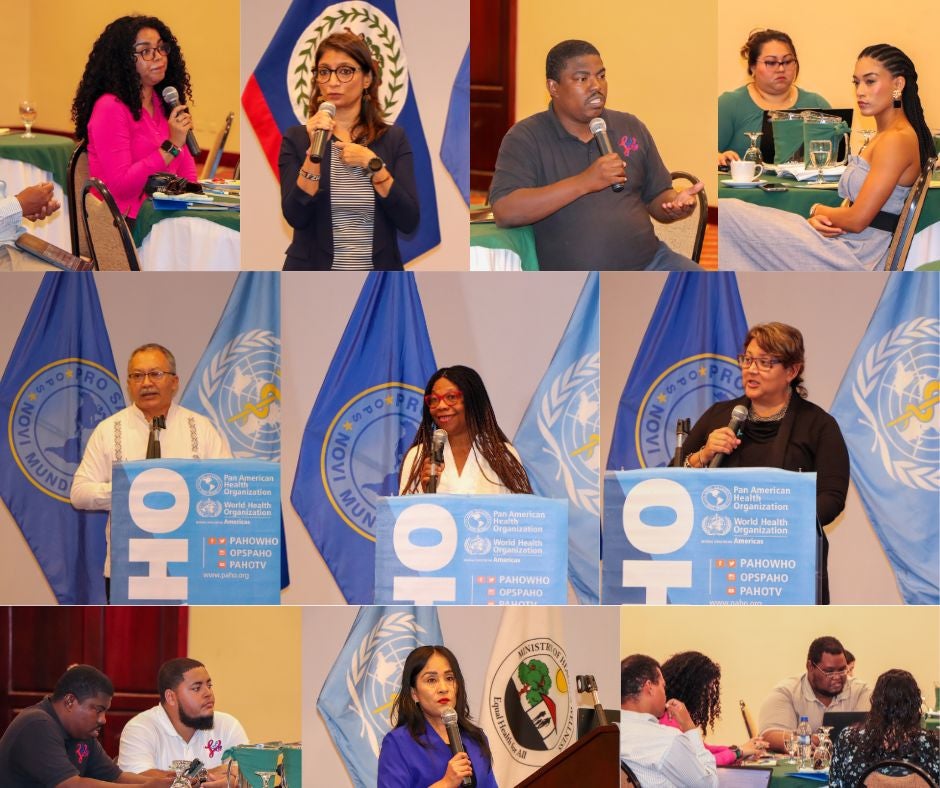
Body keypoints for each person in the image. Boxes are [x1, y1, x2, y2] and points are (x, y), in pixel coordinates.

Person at [489, 39, 702, 271]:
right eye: (582, 79)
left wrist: (674, 204)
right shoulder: (526, 137)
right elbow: (505, 210)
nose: (596, 86)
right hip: (575, 282)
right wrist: (585, 182)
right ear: (553, 87)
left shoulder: (630, 126)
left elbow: (657, 196)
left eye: (601, 76)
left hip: (651, 263)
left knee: (714, 293)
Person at [719, 44, 934, 271]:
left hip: (856, 256)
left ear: (898, 85)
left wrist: (817, 210)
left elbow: (856, 220)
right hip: (844, 243)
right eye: (856, 82)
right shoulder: (887, 136)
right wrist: (822, 218)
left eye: (870, 81)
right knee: (735, 212)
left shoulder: (896, 140)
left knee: (728, 215)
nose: (860, 91)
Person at [679, 323, 849, 602]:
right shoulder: (718, 416)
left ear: (792, 371)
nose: (751, 369)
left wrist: (777, 523)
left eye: (765, 362)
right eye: (747, 359)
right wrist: (704, 455)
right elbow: (672, 482)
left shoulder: (819, 425)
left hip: (789, 563)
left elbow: (833, 496)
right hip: (721, 561)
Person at [70, 343, 231, 595]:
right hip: (128, 568)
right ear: (129, 384)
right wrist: (130, 492)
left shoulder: (201, 428)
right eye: (137, 375)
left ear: (174, 382)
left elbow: (226, 489)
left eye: (155, 374)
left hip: (190, 567)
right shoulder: (108, 430)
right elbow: (79, 493)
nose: (146, 383)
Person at [279, 31, 419, 271]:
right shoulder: (296, 138)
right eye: (324, 72)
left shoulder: (393, 139)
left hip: (377, 275)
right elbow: (295, 216)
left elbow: (408, 220)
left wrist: (374, 165)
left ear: (366, 79)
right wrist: (314, 152)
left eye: (345, 71)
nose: (333, 81)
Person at [72, 15, 197, 224]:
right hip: (124, 223)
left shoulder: (165, 102)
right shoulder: (110, 108)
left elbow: (188, 175)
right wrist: (172, 146)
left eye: (160, 48)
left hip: (163, 215)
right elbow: (121, 187)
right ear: (123, 60)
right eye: (145, 51)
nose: (158, 57)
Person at [0, 664, 175, 787]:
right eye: (98, 710)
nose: (103, 720)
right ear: (70, 701)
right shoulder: (37, 724)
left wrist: (169, 783)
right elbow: (70, 785)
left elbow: (115, 777)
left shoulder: (83, 733)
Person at [399, 366, 532, 495]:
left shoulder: (503, 454)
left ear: (472, 401)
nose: (441, 406)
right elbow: (405, 514)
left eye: (451, 397)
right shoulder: (418, 456)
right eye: (433, 400)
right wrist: (425, 492)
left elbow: (519, 512)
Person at [378, 645, 497, 788]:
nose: (443, 688)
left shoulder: (475, 738)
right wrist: (446, 783)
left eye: (449, 678)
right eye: (431, 680)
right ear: (414, 693)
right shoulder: (398, 744)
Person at [118, 658, 247, 787]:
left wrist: (235, 783)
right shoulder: (139, 728)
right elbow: (139, 779)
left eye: (209, 686)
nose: (208, 693)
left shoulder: (228, 725)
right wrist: (207, 774)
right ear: (171, 697)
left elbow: (246, 774)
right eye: (196, 688)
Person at [718, 30, 830, 166]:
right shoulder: (729, 104)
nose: (781, 69)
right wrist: (719, 157)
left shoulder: (816, 103)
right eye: (771, 63)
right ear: (752, 66)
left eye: (788, 61)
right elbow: (702, 154)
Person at [758, 636, 871, 754]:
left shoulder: (861, 692)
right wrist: (806, 740)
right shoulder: (786, 692)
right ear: (810, 666)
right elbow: (769, 735)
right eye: (829, 671)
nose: (837, 677)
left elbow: (873, 732)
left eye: (842, 670)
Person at [619, 654, 719, 788]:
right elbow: (709, 785)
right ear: (649, 687)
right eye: (663, 686)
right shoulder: (666, 740)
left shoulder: (604, 734)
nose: (665, 694)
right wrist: (690, 728)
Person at [829, 669, 939, 787]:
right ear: (916, 705)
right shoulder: (932, 745)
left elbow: (835, 784)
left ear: (875, 702)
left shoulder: (848, 740)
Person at [658, 651, 769, 765]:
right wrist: (738, 752)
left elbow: (704, 749)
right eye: (704, 691)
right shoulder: (669, 720)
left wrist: (741, 750)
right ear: (691, 688)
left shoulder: (672, 715)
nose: (707, 699)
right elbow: (702, 762)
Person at [0, 181, 61, 270]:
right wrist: (19, 204)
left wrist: (25, 207)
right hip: (5, 251)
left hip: (19, 245)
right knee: (75, 281)